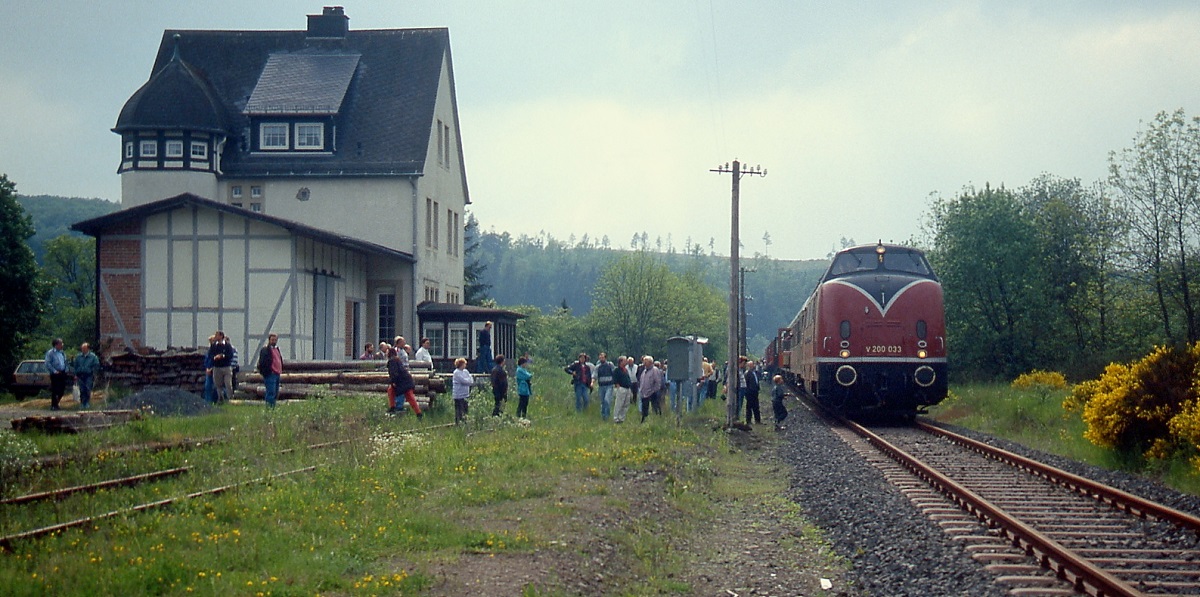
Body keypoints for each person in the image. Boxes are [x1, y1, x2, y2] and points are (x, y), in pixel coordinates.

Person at [387, 347, 423, 418]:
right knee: (410, 397)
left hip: (402, 382)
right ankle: (418, 413)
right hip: (406, 381)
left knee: (391, 391)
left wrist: (394, 381)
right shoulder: (397, 360)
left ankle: (393, 408)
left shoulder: (392, 361)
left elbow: (394, 373)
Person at [208, 330, 235, 403]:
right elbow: (210, 354)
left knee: (228, 383)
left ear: (221, 336)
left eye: (217, 335)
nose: (215, 336)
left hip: (226, 367)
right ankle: (221, 398)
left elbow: (230, 355)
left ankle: (230, 399)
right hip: (217, 367)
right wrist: (214, 357)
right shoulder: (214, 346)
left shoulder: (227, 345)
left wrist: (223, 356)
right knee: (218, 384)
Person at [257, 333, 283, 407]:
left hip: (277, 374)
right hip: (270, 374)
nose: (274, 341)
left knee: (275, 392)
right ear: (269, 340)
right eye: (272, 340)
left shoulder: (277, 349)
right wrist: (266, 372)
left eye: (275, 340)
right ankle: (269, 408)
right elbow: (262, 362)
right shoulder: (265, 350)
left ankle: (273, 407)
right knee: (270, 392)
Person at [72, 342, 100, 409]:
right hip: (80, 375)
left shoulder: (93, 357)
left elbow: (96, 365)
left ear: (88, 349)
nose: (83, 350)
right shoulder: (78, 357)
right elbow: (75, 366)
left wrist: (93, 373)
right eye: (82, 348)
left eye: (84, 348)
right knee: (82, 389)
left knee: (87, 389)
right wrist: (75, 374)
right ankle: (82, 403)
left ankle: (87, 403)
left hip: (88, 375)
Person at [637, 355, 664, 423]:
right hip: (644, 393)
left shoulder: (654, 370)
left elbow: (657, 382)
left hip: (653, 393)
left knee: (655, 407)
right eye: (644, 362)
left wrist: (654, 390)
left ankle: (657, 419)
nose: (644, 363)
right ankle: (644, 420)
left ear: (650, 362)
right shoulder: (644, 370)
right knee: (644, 408)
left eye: (646, 362)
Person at [44, 338, 69, 411]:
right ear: (56, 345)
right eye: (61, 343)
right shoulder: (50, 353)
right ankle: (53, 405)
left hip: (63, 372)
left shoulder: (62, 353)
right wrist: (54, 371)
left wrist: (66, 370)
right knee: (55, 390)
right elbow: (47, 363)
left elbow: (65, 362)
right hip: (55, 373)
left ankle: (56, 403)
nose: (62, 345)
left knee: (62, 390)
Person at [611, 356, 634, 423]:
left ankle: (622, 418)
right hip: (621, 388)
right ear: (621, 362)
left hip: (627, 388)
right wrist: (618, 387)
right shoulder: (617, 370)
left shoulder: (625, 370)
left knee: (626, 404)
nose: (626, 361)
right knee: (619, 403)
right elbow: (615, 379)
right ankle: (616, 418)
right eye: (625, 360)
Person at [594, 352, 615, 420]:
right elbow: (595, 375)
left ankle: (607, 415)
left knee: (607, 400)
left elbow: (614, 373)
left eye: (602, 357)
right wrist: (592, 382)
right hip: (601, 386)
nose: (601, 359)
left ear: (605, 358)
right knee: (602, 401)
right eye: (600, 358)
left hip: (609, 385)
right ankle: (603, 415)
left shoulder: (610, 365)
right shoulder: (598, 367)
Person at [452, 357, 473, 424]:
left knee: (465, 410)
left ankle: (465, 422)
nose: (465, 365)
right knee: (459, 410)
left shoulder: (466, 371)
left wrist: (469, 380)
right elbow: (464, 381)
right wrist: (468, 380)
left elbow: (470, 380)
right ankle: (458, 423)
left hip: (466, 394)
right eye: (464, 364)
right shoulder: (456, 373)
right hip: (458, 395)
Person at [744, 359, 762, 425]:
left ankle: (758, 420)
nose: (753, 366)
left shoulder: (755, 372)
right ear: (749, 366)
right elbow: (746, 383)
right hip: (750, 392)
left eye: (753, 364)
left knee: (756, 407)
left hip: (755, 392)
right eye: (751, 365)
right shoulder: (747, 373)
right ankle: (748, 421)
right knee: (749, 407)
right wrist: (747, 392)